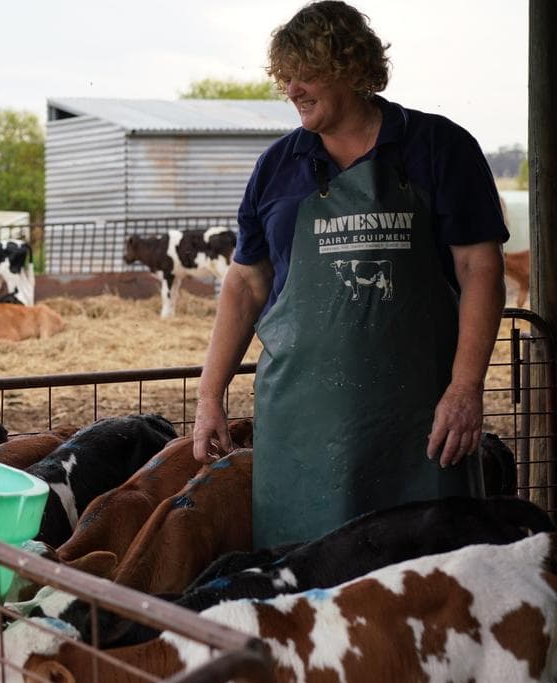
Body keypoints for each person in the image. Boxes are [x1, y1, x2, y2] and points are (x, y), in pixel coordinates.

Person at [191, 1, 506, 548]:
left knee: (426, 578)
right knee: (306, 587)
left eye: (305, 73)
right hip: (301, 429)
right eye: (284, 77)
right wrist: (209, 395)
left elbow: (480, 267)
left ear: (351, 67)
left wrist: (465, 388)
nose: (292, 89)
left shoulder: (438, 147)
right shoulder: (276, 166)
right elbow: (245, 282)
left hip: (420, 421)